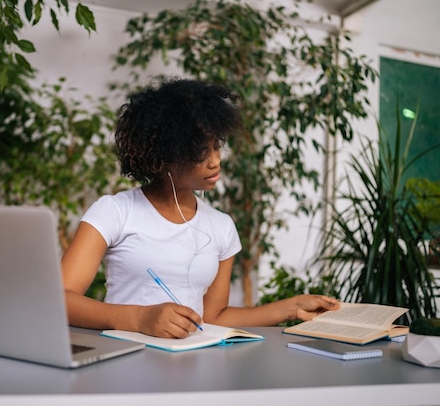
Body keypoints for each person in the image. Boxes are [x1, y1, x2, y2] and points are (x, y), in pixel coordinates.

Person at [61, 77, 339, 339]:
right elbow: (60, 299)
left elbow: (213, 317)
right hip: (126, 362)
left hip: (191, 366)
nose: (215, 161)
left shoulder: (221, 227)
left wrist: (291, 308)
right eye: (200, 152)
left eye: (216, 146)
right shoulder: (115, 212)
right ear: (163, 155)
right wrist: (139, 319)